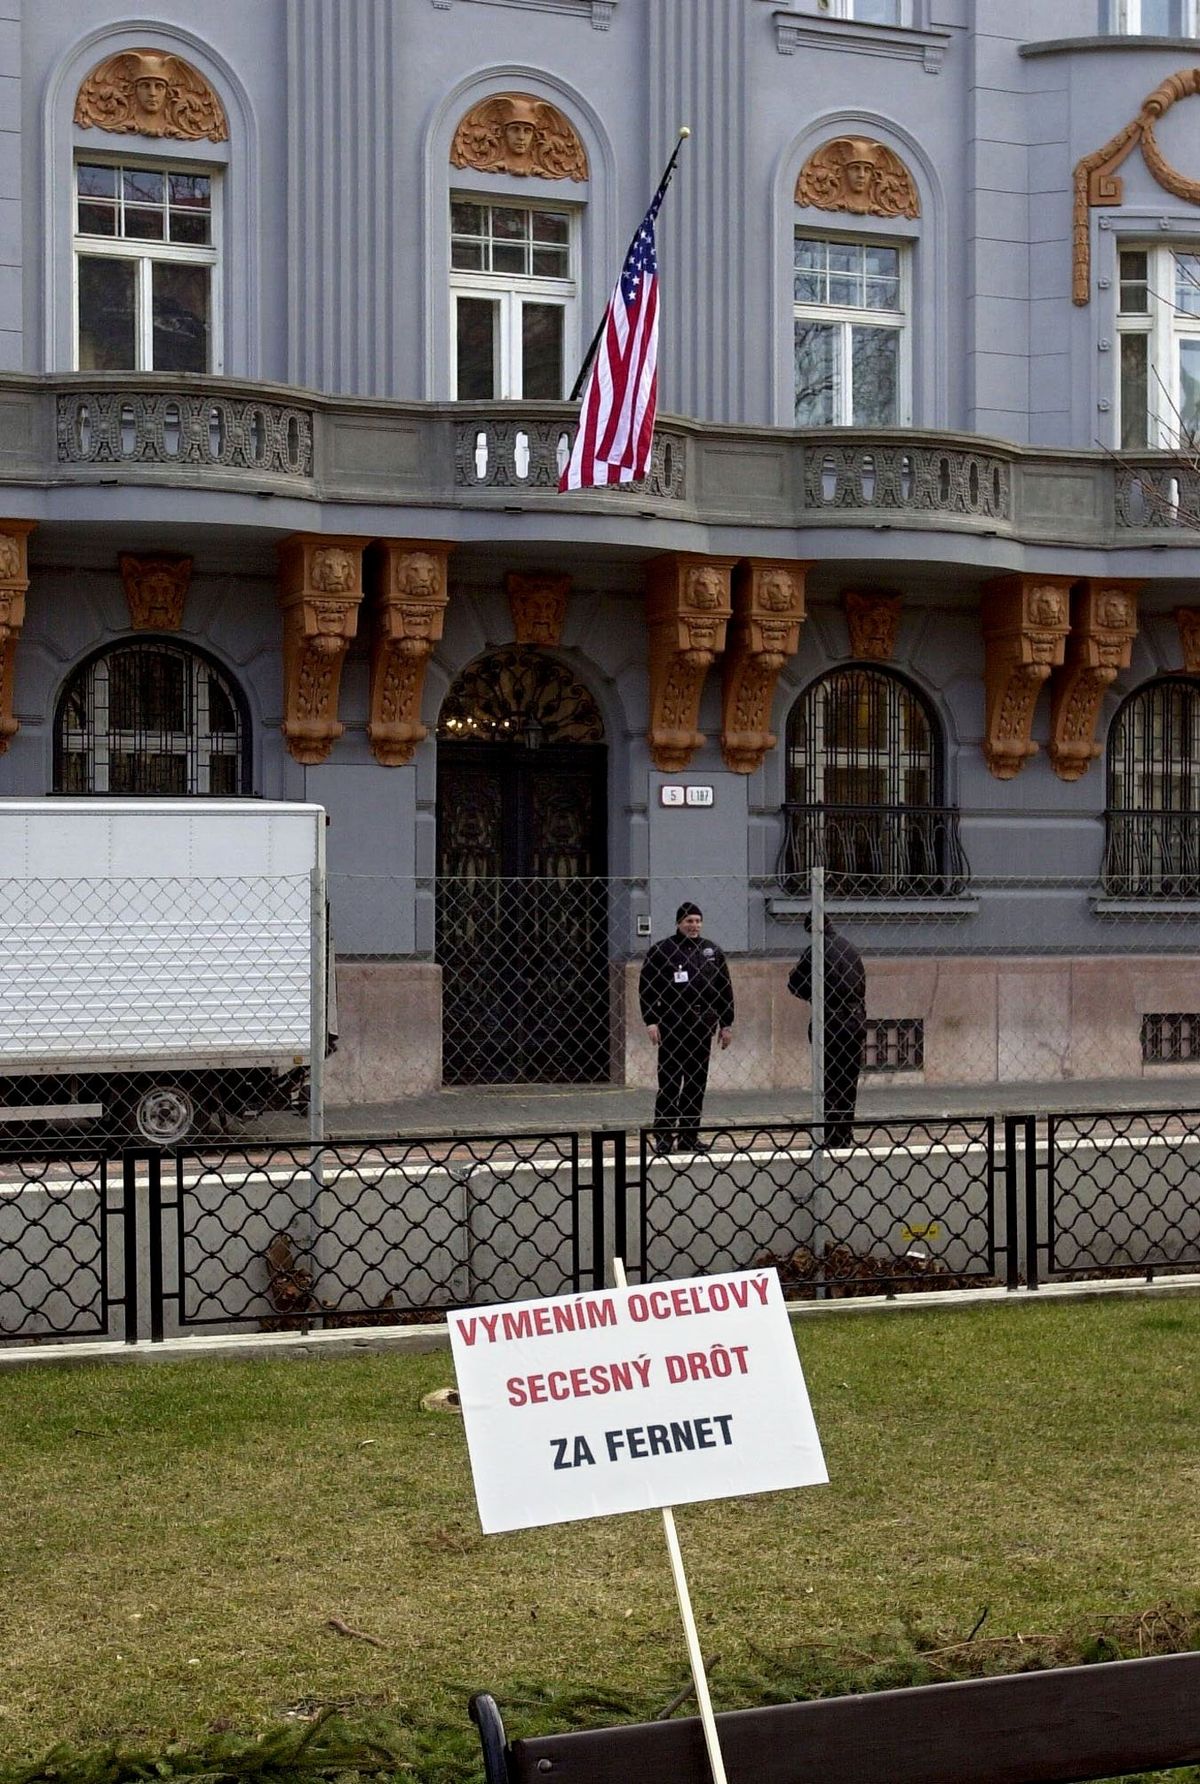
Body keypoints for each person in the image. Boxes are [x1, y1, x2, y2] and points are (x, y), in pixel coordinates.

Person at [639, 902, 734, 1154]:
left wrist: (726, 1024)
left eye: (697, 921)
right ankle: (663, 1135)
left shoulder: (712, 951)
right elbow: (647, 989)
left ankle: (689, 1135)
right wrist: (651, 1020)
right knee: (670, 1082)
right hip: (673, 1025)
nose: (694, 926)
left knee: (695, 1082)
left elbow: (724, 991)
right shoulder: (662, 951)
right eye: (689, 921)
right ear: (679, 923)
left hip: (702, 1027)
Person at [787, 915, 866, 1149]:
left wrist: (814, 995)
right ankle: (844, 1133)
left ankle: (829, 1135)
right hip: (854, 1019)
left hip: (829, 1019)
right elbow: (862, 984)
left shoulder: (816, 950)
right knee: (848, 1079)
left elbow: (795, 984)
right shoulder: (850, 948)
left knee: (828, 1079)